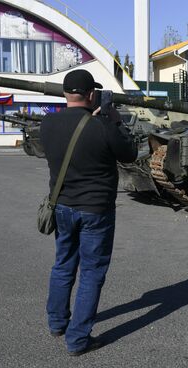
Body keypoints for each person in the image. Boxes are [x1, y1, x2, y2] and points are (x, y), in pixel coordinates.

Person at [40, 69, 137, 356]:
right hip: (96, 210)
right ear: (92, 94)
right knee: (92, 273)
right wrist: (115, 120)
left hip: (62, 206)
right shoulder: (103, 127)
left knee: (63, 264)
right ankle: (78, 339)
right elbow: (129, 154)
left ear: (65, 93)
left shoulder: (48, 124)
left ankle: (57, 323)